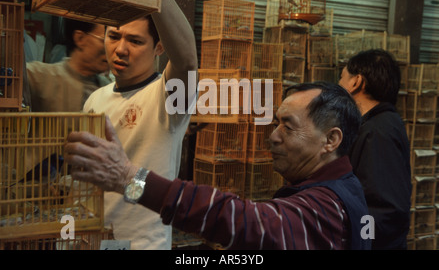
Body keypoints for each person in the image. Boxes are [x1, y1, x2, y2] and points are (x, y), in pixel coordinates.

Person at [65, 82, 372, 250]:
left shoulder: (329, 207)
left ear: (330, 140)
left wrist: (129, 179)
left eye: (288, 127)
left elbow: (248, 221)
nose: (273, 136)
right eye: (276, 122)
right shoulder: (338, 187)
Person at [80, 0, 198, 250]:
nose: (121, 49)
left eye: (135, 41)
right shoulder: (95, 99)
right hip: (95, 239)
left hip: (143, 244)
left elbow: (187, 61)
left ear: (158, 48)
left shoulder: (166, 98)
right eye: (114, 36)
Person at [338, 49, 412, 250]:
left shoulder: (378, 132)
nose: (339, 85)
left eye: (342, 78)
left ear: (356, 82)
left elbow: (384, 211)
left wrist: (347, 236)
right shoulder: (378, 124)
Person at [26, 19, 111, 112]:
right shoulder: (40, 77)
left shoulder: (108, 89)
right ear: (80, 39)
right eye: (103, 40)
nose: (111, 49)